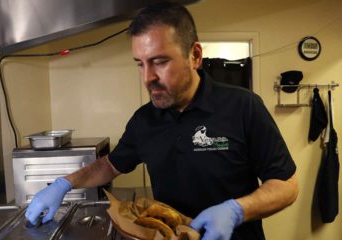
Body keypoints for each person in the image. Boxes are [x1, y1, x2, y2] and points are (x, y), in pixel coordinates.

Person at [25, 2, 298, 239]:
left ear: (195, 56)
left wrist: (237, 211)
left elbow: (287, 185)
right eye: (140, 64)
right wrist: (64, 184)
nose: (147, 78)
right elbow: (110, 165)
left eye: (160, 61)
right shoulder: (144, 120)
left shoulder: (243, 106)